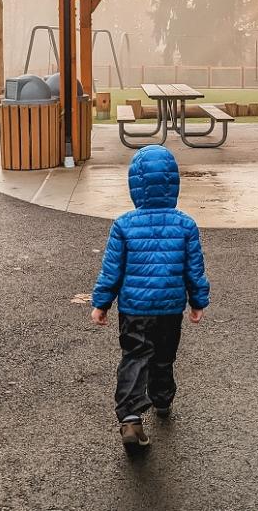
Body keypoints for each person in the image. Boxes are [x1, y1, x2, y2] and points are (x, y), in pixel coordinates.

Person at [90, 145, 210, 454]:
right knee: (163, 356)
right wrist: (198, 301)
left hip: (134, 309)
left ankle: (130, 417)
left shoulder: (124, 225)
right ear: (173, 184)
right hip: (170, 308)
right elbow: (193, 269)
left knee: (134, 356)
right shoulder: (185, 225)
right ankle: (162, 398)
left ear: (135, 185)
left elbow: (111, 269)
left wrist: (102, 303)